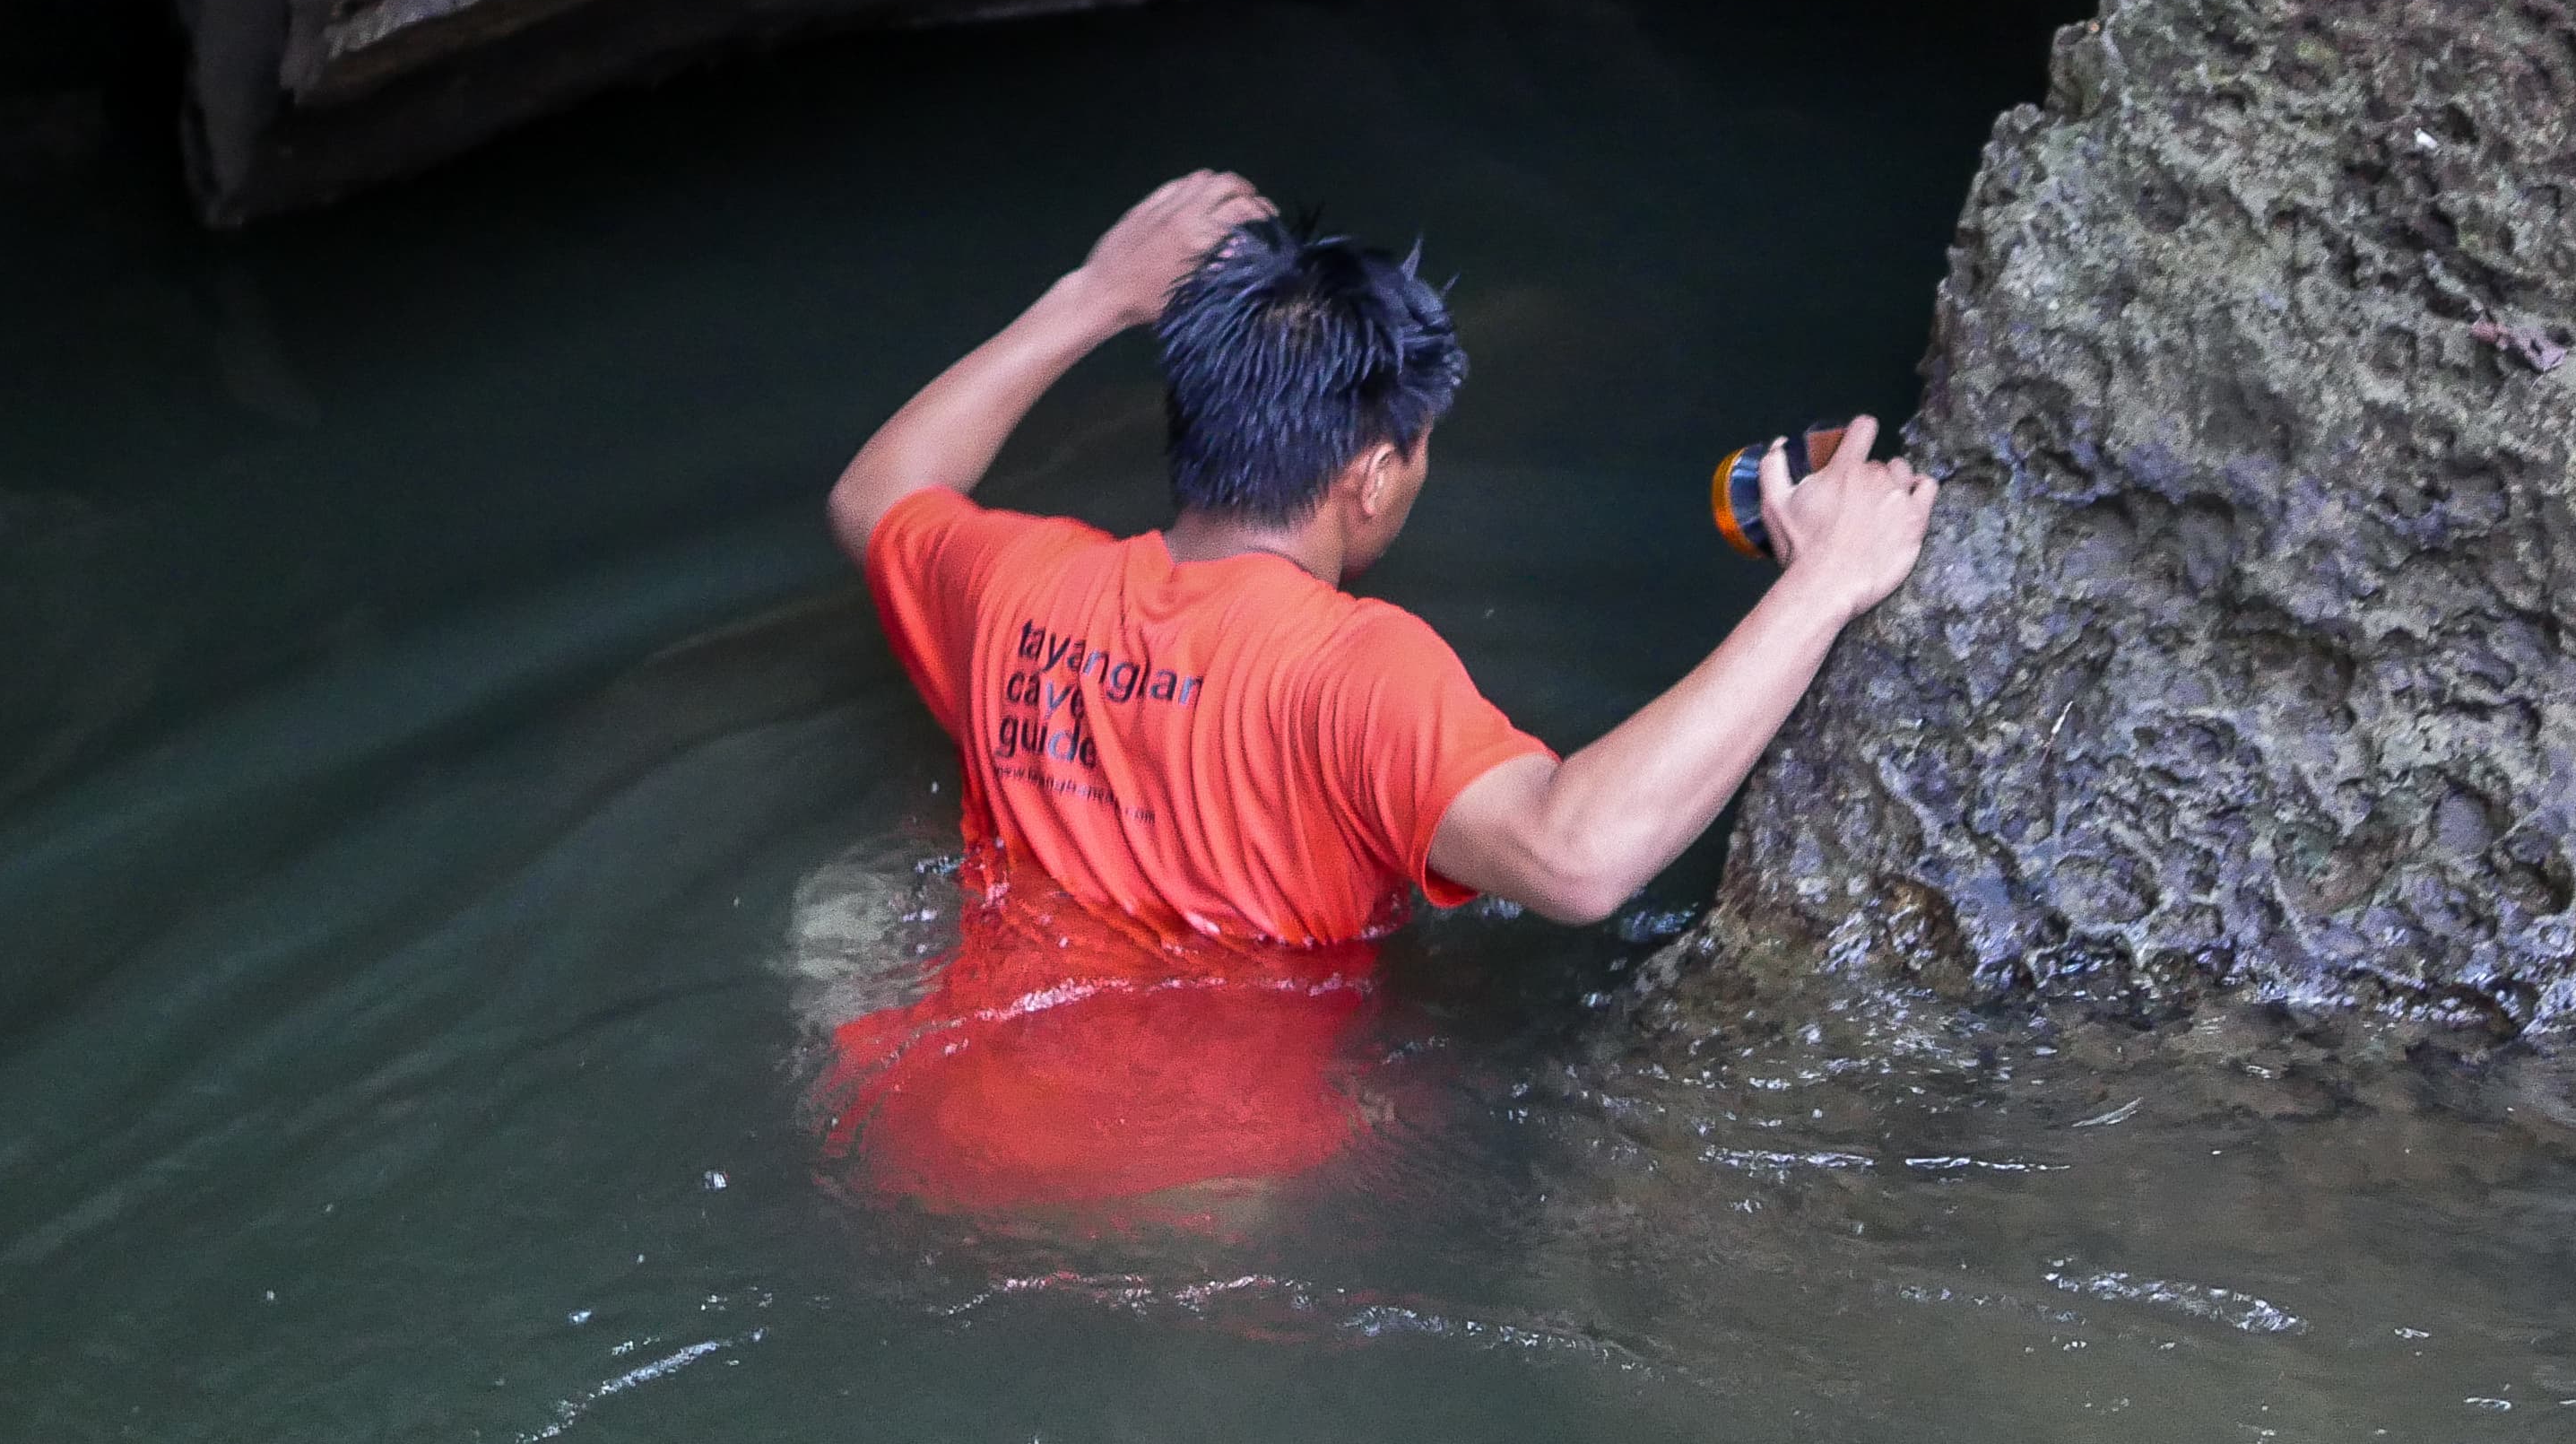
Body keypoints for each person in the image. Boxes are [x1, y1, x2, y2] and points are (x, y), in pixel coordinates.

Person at [827, 170, 1939, 948]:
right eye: (1418, 456)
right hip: (1198, 1210)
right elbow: (1575, 859)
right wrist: (1824, 582)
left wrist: (1098, 293)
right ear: (1370, 475)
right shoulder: (1355, 673)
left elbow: (874, 494)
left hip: (940, 1131)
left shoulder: (1020, 590)